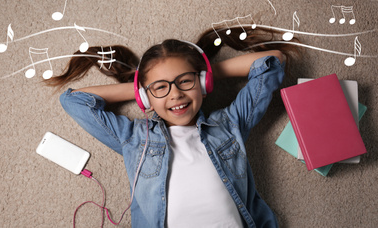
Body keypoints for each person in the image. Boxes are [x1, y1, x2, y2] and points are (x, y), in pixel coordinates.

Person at [46, 26, 299, 228]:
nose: (175, 94)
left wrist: (210, 75)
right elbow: (73, 101)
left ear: (201, 82)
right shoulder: (136, 138)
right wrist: (138, 91)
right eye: (161, 87)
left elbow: (271, 62)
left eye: (185, 81)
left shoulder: (229, 124)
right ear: (145, 98)